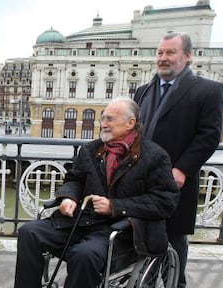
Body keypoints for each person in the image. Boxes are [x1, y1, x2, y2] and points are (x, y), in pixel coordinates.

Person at [14, 97, 180, 288]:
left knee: (83, 255)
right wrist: (69, 197)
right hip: (83, 221)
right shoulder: (91, 149)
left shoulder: (155, 156)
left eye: (110, 119)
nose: (103, 124)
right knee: (29, 232)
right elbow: (75, 179)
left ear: (130, 123)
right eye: (103, 119)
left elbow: (165, 202)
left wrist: (114, 206)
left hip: (123, 231)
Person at [134, 32, 223, 288]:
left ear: (187, 56)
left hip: (177, 183)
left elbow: (209, 136)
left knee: (174, 243)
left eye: (170, 53)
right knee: (142, 242)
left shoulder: (209, 90)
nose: (163, 58)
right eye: (160, 53)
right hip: (142, 182)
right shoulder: (143, 91)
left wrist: (182, 169)